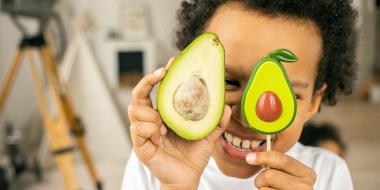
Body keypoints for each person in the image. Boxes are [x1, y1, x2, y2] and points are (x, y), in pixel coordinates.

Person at [123, 0, 357, 189]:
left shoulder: (329, 175)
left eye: (285, 92)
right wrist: (176, 186)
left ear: (314, 102)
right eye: (228, 82)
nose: (247, 118)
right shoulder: (153, 166)